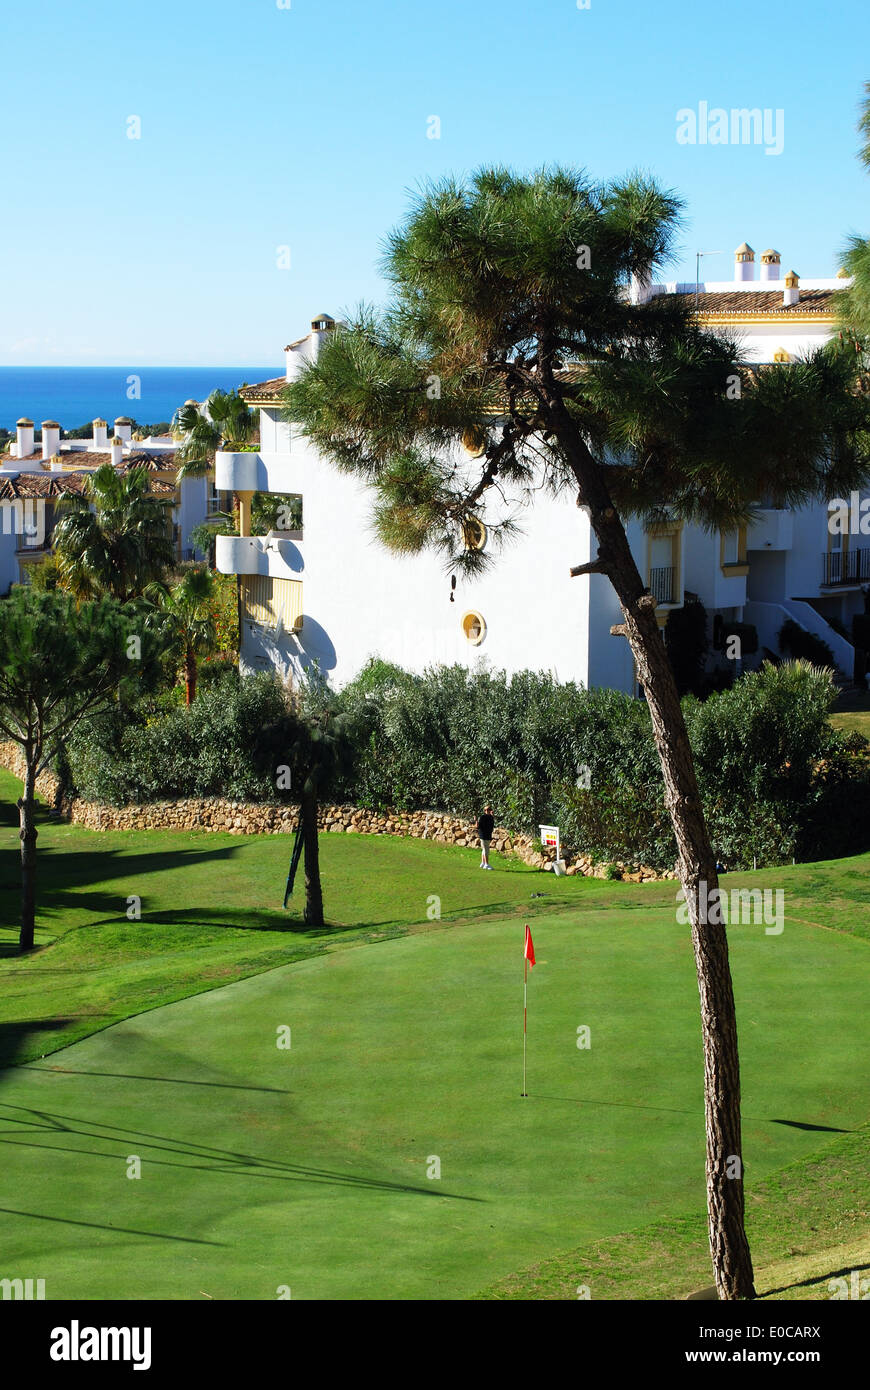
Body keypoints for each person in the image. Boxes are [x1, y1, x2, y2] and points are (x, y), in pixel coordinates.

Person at [477, 804, 495, 869]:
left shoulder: (491, 817)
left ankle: (483, 863)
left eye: (488, 809)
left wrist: (492, 816)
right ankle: (486, 864)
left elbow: (492, 825)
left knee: (485, 849)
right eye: (485, 810)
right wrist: (476, 821)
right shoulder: (482, 817)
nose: (487, 811)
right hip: (483, 835)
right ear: (484, 811)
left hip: (488, 835)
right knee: (486, 849)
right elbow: (478, 826)